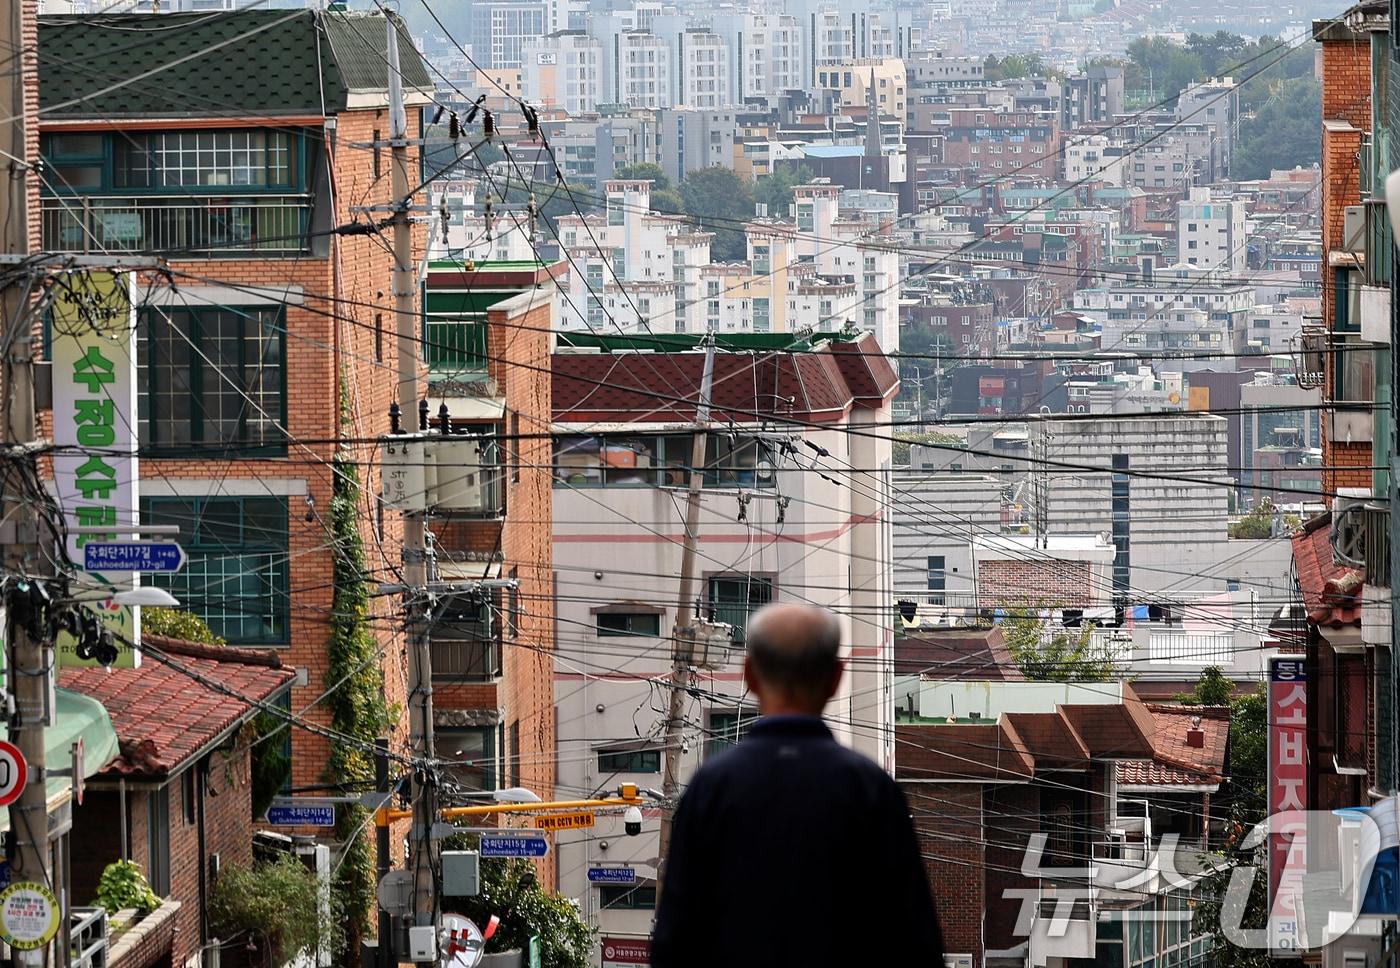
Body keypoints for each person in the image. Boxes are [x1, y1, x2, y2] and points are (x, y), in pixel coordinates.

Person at [650, 603, 944, 967]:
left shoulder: (711, 789)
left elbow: (674, 943)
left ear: (750, 676)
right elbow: (916, 943)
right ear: (837, 678)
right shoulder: (872, 792)